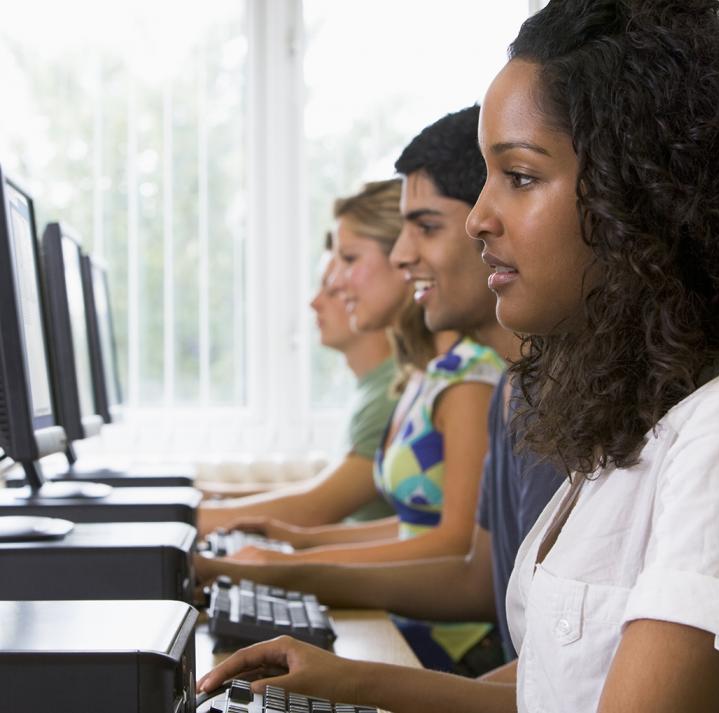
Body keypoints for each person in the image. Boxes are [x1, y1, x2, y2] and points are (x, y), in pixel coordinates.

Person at [199, 2, 719, 712]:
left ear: (644, 198)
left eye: (521, 176)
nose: (479, 217)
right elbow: (556, 687)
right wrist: (349, 679)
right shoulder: (629, 420)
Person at [196, 106, 564, 674]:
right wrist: (289, 558)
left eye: (426, 227)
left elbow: (560, 671)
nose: (401, 254)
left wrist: (285, 564)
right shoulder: (510, 392)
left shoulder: (486, 382)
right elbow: (477, 573)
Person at [198, 182, 414, 534]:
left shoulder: (395, 389)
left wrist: (180, 518)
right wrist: (206, 499)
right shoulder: (387, 386)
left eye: (346, 265)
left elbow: (313, 509)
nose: (319, 300)